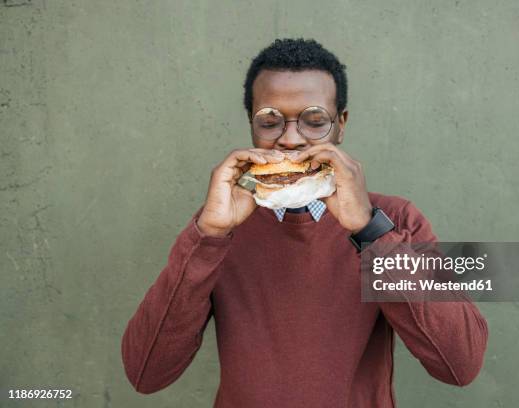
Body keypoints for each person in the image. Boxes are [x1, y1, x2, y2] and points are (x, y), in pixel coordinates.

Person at [121, 38, 488, 407]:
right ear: (251, 124)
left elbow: (460, 364)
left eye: (314, 121)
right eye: (270, 121)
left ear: (340, 125)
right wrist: (209, 236)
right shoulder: (220, 226)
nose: (291, 139)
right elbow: (146, 373)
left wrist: (369, 231)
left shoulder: (395, 220)